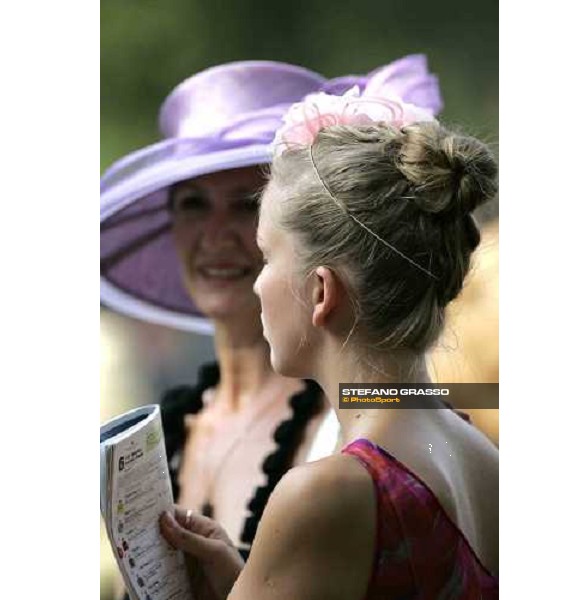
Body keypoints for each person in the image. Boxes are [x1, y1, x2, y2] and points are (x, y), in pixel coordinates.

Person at [159, 85, 499, 599]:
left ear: (321, 291)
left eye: (268, 256)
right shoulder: (478, 452)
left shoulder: (328, 490)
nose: (256, 283)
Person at [100, 57, 443, 560]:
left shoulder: (369, 415)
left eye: (245, 203)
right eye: (193, 203)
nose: (215, 236)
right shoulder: (167, 432)